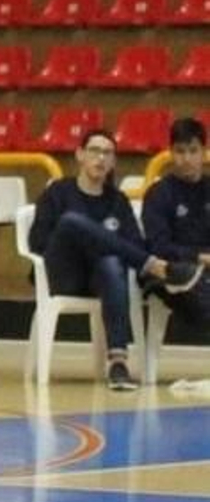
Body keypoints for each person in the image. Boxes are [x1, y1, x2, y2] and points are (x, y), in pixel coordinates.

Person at [29, 128, 203, 390]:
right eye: (94, 151)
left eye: (107, 153)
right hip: (62, 273)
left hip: (103, 280)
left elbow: (134, 244)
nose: (100, 158)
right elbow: (37, 242)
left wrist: (99, 244)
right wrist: (86, 240)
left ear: (113, 162)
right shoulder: (58, 192)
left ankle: (118, 363)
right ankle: (156, 266)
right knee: (72, 222)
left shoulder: (117, 201)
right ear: (79, 155)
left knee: (110, 261)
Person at [140, 115, 210, 331]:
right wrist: (199, 257)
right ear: (171, 153)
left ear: (204, 153)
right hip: (170, 271)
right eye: (180, 151)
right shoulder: (159, 193)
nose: (187, 158)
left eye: (193, 151)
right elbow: (158, 247)